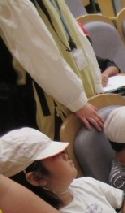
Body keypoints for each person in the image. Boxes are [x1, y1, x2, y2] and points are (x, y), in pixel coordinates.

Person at [0, 0, 104, 138]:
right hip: (44, 96)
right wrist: (76, 101)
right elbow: (39, 54)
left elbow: (75, 35)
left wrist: (95, 80)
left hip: (70, 88)